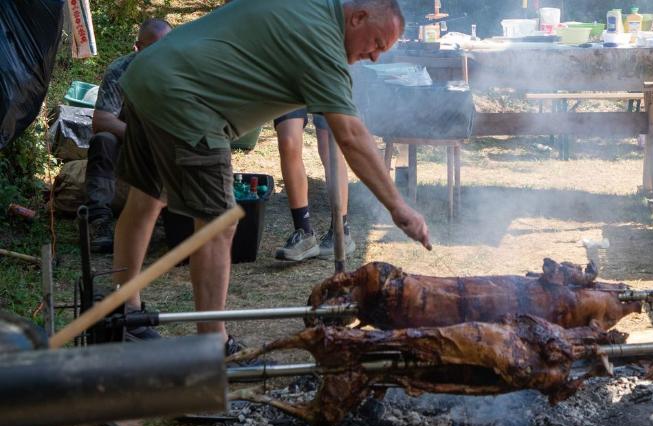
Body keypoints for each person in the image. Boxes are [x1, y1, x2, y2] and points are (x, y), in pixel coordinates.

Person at [113, 0, 431, 355]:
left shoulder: (311, 8)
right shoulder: (322, 43)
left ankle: (125, 314)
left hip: (148, 73)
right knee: (218, 224)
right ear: (357, 18)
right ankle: (213, 348)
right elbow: (352, 137)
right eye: (376, 43)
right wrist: (398, 207)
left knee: (146, 197)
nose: (374, 57)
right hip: (188, 100)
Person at [85, 18, 172, 253]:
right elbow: (101, 120)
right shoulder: (120, 70)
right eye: (151, 48)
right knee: (103, 140)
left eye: (165, 47)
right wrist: (140, 137)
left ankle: (169, 217)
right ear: (138, 47)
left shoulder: (180, 70)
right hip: (127, 146)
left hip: (166, 146)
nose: (159, 55)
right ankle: (98, 220)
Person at [274, 110, 356, 261]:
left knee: (329, 146)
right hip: (290, 85)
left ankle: (340, 230)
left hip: (324, 85)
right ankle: (304, 233)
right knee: (288, 141)